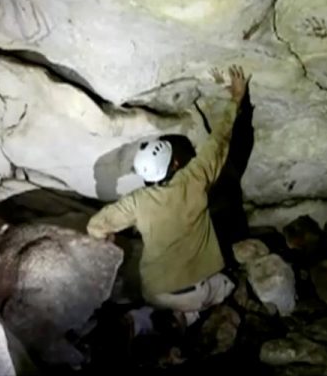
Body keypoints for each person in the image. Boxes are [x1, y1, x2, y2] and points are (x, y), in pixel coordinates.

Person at [87, 65, 251, 326]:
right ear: (174, 165)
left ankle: (161, 318)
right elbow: (219, 142)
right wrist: (236, 99)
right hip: (199, 291)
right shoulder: (194, 179)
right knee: (228, 283)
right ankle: (193, 312)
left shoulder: (138, 201)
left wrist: (108, 238)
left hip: (156, 294)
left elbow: (96, 225)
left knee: (148, 278)